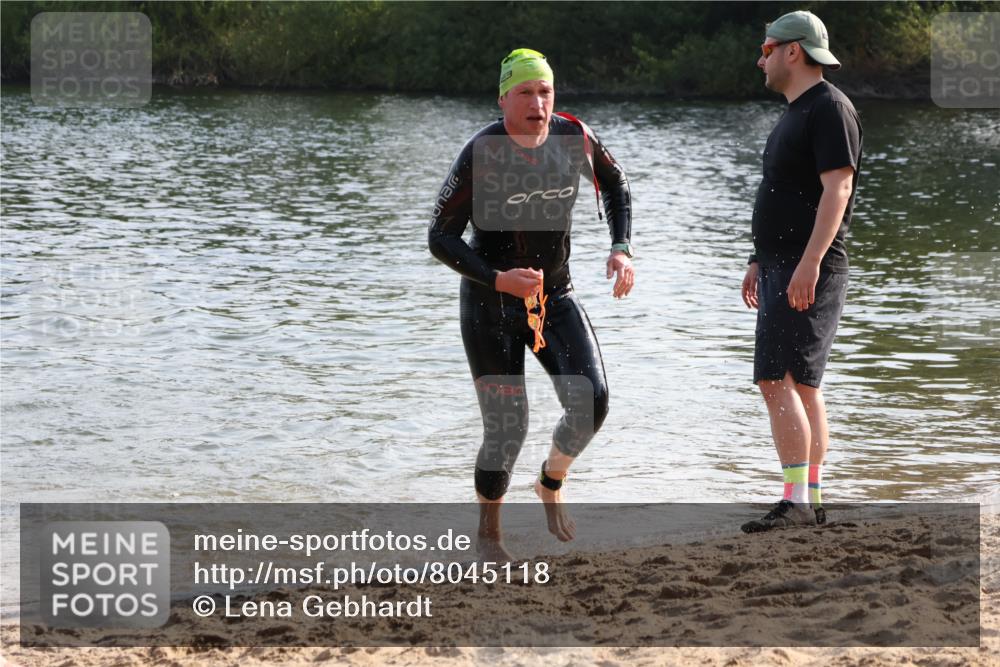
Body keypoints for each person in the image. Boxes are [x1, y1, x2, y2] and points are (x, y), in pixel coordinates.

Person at [428, 48, 634, 558]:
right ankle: (489, 535)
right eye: (525, 92)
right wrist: (498, 280)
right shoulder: (482, 152)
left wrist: (621, 247)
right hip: (489, 306)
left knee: (593, 399)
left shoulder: (573, 137)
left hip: (554, 297)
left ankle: (550, 481)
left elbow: (616, 184)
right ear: (503, 99)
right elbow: (440, 237)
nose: (537, 103)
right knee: (506, 430)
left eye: (545, 91)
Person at [739, 11, 862, 532]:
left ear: (794, 51)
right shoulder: (795, 111)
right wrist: (756, 258)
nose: (761, 58)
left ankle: (796, 502)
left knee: (778, 379)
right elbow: (784, 192)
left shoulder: (830, 108)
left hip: (807, 265)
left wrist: (808, 264)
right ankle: (807, 498)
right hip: (780, 264)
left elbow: (839, 190)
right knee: (801, 385)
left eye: (767, 48)